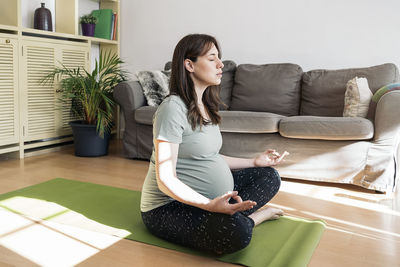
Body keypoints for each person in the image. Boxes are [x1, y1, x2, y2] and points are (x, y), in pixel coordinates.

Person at [140, 34, 289, 254]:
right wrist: (209, 206)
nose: (221, 65)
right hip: (167, 207)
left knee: (269, 175)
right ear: (189, 65)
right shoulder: (172, 109)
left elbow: (208, 157)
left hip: (208, 201)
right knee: (237, 233)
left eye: (219, 58)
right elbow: (165, 180)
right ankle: (254, 219)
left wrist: (254, 161)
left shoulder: (205, 106)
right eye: (212, 59)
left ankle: (230, 213)